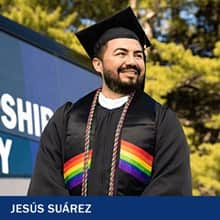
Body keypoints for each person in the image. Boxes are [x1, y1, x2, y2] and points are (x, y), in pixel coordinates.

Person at [28, 7, 192, 196]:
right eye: (121, 53)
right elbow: (46, 186)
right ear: (98, 64)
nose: (132, 61)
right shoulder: (67, 120)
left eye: (138, 55)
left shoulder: (161, 121)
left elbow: (170, 189)